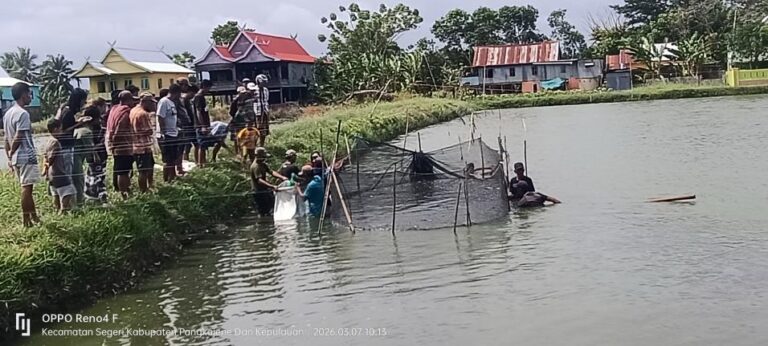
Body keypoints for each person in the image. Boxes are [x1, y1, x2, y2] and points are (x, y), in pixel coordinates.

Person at [3, 82, 41, 227]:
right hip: (26, 155)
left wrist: (9, 156)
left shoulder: (8, 114)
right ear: (23, 94)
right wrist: (12, 151)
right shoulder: (23, 113)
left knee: (27, 187)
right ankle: (26, 220)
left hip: (17, 158)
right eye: (29, 93)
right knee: (26, 188)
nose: (31, 96)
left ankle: (33, 216)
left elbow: (7, 138)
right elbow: (18, 136)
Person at [54, 88, 89, 197]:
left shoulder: (66, 109)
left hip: (67, 146)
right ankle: (68, 201)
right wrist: (79, 124)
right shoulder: (68, 112)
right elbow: (63, 131)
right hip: (66, 147)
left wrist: (78, 122)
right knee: (68, 175)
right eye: (83, 100)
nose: (84, 103)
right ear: (78, 100)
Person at [73, 98, 106, 204]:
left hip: (74, 158)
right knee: (80, 180)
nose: (99, 121)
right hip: (77, 159)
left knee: (81, 179)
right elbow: (90, 150)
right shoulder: (87, 132)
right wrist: (95, 157)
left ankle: (82, 199)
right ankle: (80, 203)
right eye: (98, 119)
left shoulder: (78, 129)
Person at [107, 90, 137, 198]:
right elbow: (121, 128)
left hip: (115, 144)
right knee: (123, 171)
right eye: (132, 100)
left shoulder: (114, 109)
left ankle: (124, 189)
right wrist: (116, 140)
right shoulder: (125, 111)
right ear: (127, 100)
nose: (133, 103)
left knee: (120, 169)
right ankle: (124, 193)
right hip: (123, 145)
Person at [42, 118, 76, 213]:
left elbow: (45, 155)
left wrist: (45, 169)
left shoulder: (48, 141)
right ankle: (63, 211)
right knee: (69, 191)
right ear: (55, 129)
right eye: (60, 129)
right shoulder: (55, 142)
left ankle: (57, 211)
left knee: (55, 193)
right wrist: (49, 163)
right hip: (58, 171)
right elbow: (51, 157)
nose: (61, 131)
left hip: (51, 174)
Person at [81, 98, 109, 204]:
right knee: (98, 177)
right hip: (98, 156)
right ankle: (99, 198)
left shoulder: (87, 128)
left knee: (93, 176)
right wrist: (95, 151)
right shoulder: (94, 129)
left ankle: (92, 196)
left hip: (94, 156)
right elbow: (100, 142)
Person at [130, 92, 157, 193]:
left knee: (148, 167)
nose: (152, 105)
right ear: (145, 102)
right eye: (151, 103)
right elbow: (148, 131)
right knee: (144, 170)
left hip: (136, 144)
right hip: (142, 146)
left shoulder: (133, 110)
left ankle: (148, 186)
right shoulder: (143, 114)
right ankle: (144, 190)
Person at [250, 147, 288, 216]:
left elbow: (271, 172)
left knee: (270, 208)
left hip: (265, 190)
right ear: (258, 156)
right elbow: (259, 180)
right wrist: (272, 186)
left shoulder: (263, 164)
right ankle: (263, 224)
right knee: (263, 211)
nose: (265, 158)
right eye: (263, 156)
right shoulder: (256, 166)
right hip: (258, 192)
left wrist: (282, 177)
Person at [157, 84, 182, 182]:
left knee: (173, 159)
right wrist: (163, 132)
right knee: (168, 160)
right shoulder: (164, 102)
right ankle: (166, 180)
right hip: (166, 135)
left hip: (173, 134)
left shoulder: (171, 103)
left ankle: (173, 178)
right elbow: (160, 117)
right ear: (176, 93)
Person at [174, 79, 194, 176]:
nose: (186, 88)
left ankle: (180, 167)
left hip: (185, 125)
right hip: (180, 126)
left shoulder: (182, 98)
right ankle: (178, 168)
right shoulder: (178, 98)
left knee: (183, 146)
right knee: (179, 147)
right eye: (185, 86)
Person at [194, 80, 213, 166]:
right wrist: (203, 126)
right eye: (208, 88)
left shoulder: (201, 96)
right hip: (201, 125)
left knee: (204, 145)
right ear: (205, 86)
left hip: (204, 124)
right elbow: (198, 112)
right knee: (201, 145)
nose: (208, 90)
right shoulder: (199, 97)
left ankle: (204, 162)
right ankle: (200, 164)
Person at [251, 75, 270, 146]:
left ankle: (262, 145)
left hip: (264, 111)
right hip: (257, 113)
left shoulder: (266, 90)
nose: (264, 83)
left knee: (264, 130)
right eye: (263, 82)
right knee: (256, 129)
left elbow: (266, 100)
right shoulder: (253, 90)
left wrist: (267, 111)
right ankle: (254, 146)